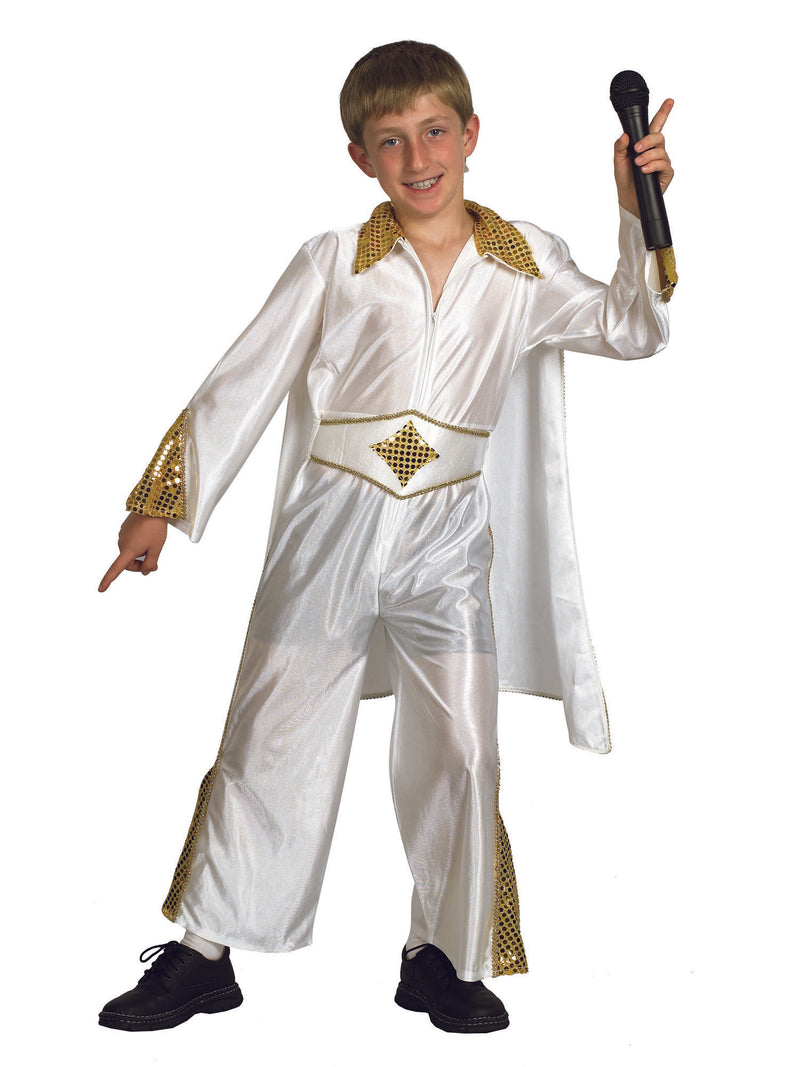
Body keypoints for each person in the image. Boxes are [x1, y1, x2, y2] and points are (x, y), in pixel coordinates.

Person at [97, 40, 675, 1035]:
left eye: (434, 131)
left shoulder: (523, 260)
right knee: (270, 729)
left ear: (471, 133)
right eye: (391, 140)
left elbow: (634, 328)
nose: (417, 157)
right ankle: (203, 953)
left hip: (449, 536)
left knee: (464, 747)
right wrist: (165, 500)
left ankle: (442, 957)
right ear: (360, 156)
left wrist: (635, 211)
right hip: (333, 522)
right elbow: (247, 374)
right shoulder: (336, 260)